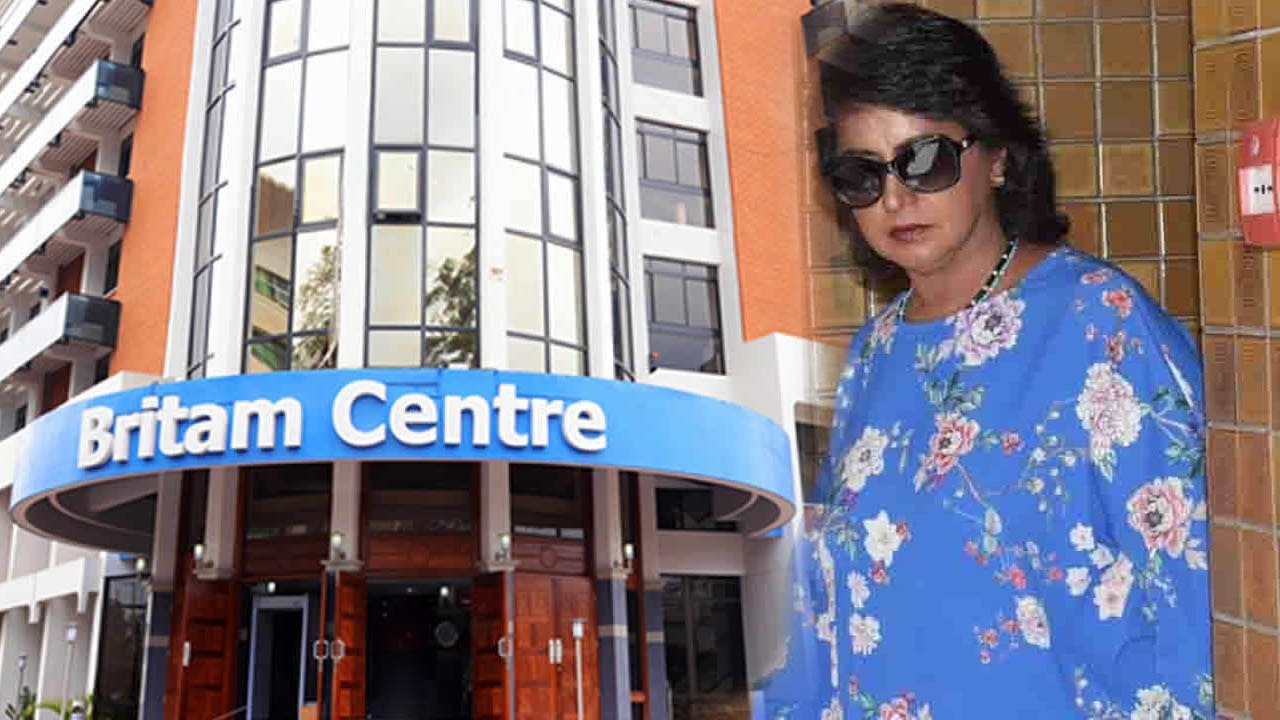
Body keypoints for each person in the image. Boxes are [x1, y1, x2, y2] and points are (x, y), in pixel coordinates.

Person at [768, 4, 1212, 718]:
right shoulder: (874, 354)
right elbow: (832, 611)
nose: (896, 197)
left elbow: (1197, 595)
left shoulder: (1101, 325)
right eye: (862, 174)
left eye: (925, 159)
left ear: (998, 157)